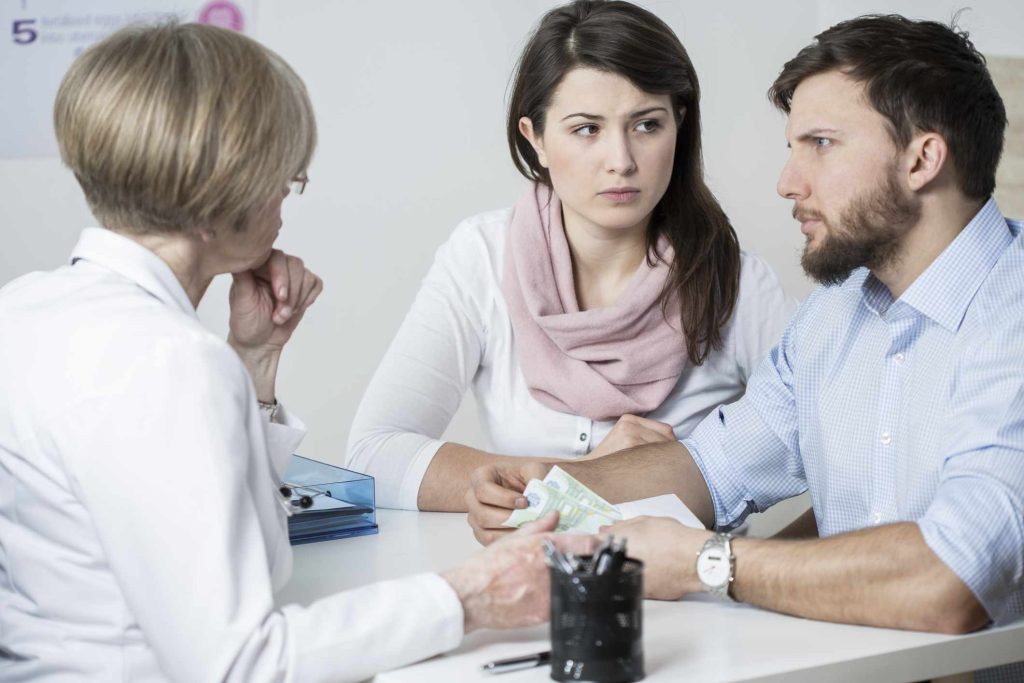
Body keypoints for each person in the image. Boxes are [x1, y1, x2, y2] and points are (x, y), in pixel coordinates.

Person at [0, 23, 591, 682]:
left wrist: (253, 355)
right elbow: (241, 662)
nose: (287, 194)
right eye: (284, 175)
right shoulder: (167, 362)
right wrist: (471, 595)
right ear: (217, 192)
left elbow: (201, 524)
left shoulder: (24, 309)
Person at [466, 13, 1024, 679]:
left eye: (820, 144)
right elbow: (711, 468)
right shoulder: (832, 316)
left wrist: (708, 561)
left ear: (921, 158)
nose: (787, 181)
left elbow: (949, 583)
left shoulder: (1011, 318)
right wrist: (547, 483)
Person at [346, 0, 796, 511]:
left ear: (680, 123)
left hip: (682, 584)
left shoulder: (738, 285)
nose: (621, 161)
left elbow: (833, 452)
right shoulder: (481, 257)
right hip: (521, 577)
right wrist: (591, 476)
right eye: (587, 129)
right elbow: (373, 454)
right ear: (534, 138)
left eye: (647, 125)